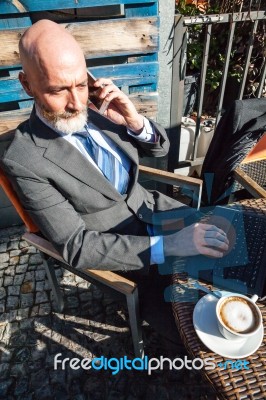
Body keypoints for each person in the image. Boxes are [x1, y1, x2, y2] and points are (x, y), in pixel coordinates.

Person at [1, 20, 228, 343]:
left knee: (241, 256)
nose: (75, 103)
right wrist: (171, 245)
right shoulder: (24, 158)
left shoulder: (99, 110)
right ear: (27, 85)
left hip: (159, 211)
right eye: (57, 90)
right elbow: (77, 246)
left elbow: (160, 147)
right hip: (127, 255)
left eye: (80, 84)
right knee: (208, 331)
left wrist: (134, 121)